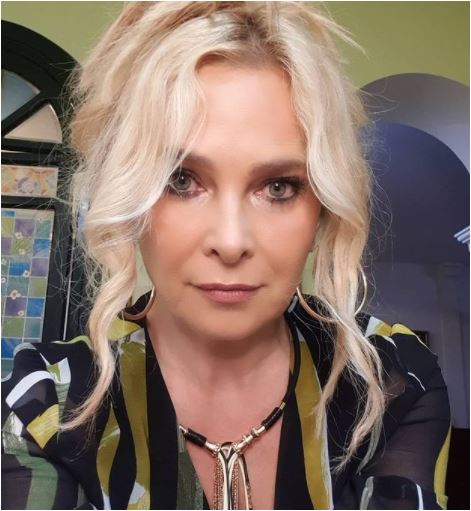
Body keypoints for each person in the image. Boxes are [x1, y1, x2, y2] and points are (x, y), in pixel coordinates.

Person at [1, 2, 451, 509]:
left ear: (323, 206)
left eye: (278, 186)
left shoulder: (391, 381)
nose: (232, 241)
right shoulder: (45, 404)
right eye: (180, 180)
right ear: (129, 198)